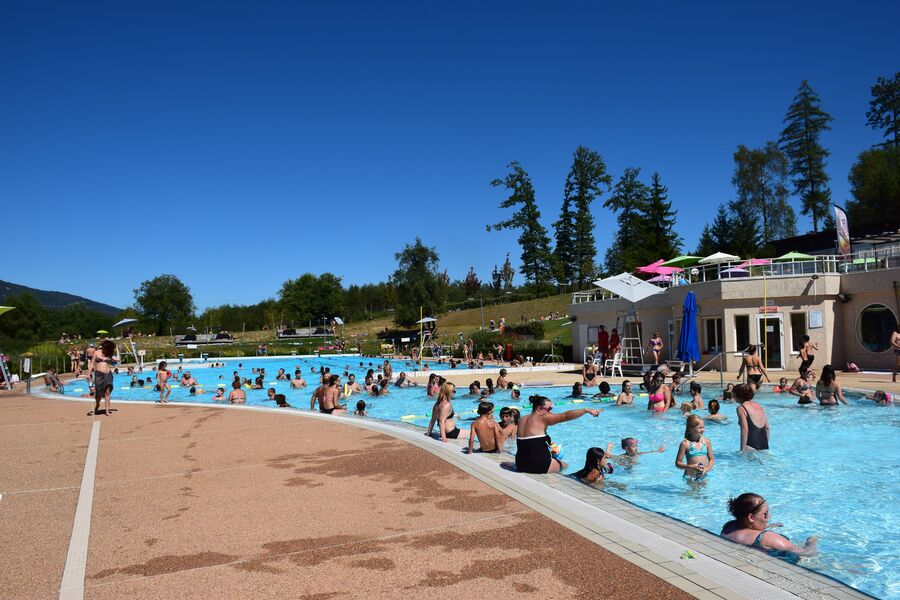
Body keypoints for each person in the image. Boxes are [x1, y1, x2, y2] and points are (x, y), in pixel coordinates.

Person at [515, 395, 601, 474]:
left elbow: (530, 443)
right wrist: (585, 410)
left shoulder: (522, 419)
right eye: (549, 409)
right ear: (538, 409)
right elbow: (566, 415)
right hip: (538, 466)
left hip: (520, 464)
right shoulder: (543, 418)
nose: (551, 412)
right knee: (565, 466)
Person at [721, 493, 818, 556]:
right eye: (765, 514)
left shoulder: (729, 526)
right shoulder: (767, 537)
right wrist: (811, 542)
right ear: (751, 518)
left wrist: (768, 526)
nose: (769, 516)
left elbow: (749, 532)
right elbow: (807, 553)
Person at [675, 415, 715, 479]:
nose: (703, 430)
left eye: (703, 427)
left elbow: (711, 460)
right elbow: (677, 463)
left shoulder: (706, 442)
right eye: (700, 428)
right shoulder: (685, 444)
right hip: (690, 477)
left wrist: (706, 469)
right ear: (690, 428)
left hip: (703, 476)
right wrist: (691, 467)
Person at [86, 340, 118, 415]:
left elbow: (117, 359)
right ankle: (97, 404)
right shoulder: (96, 352)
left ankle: (107, 410)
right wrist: (89, 373)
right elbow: (92, 363)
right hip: (99, 374)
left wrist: (117, 350)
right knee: (98, 393)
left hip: (108, 373)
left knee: (107, 392)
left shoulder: (108, 353)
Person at [735, 383, 769, 451]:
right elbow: (767, 428)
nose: (733, 397)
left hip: (750, 446)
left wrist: (742, 450)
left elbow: (744, 430)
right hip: (763, 445)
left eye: (734, 395)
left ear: (738, 395)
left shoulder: (741, 408)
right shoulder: (759, 406)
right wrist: (766, 444)